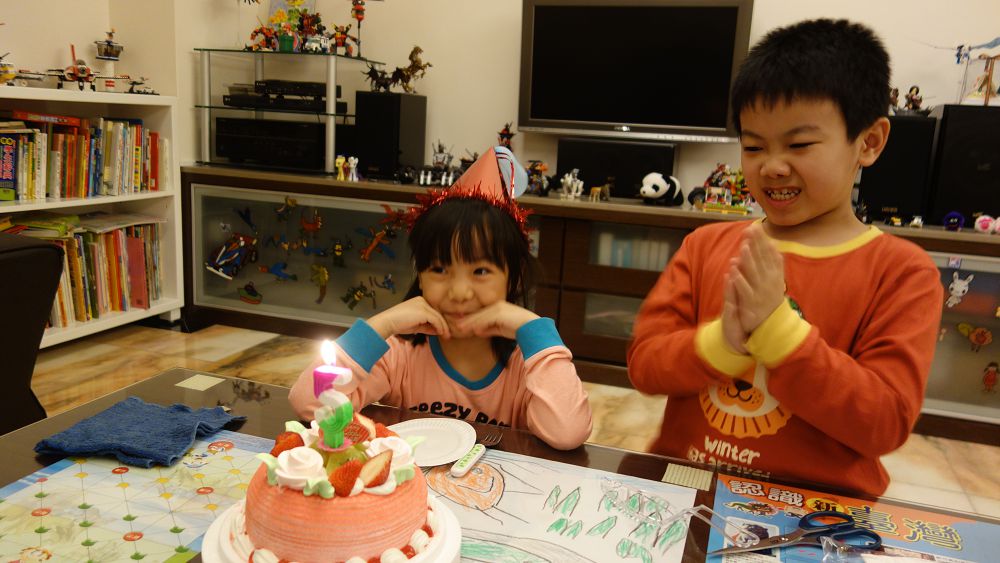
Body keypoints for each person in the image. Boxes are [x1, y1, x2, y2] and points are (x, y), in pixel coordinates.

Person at [627, 19, 942, 496]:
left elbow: (885, 421)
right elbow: (645, 365)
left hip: (816, 508)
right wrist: (722, 343)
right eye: (754, 146)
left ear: (869, 142)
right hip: (689, 485)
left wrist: (779, 334)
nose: (772, 166)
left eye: (799, 145)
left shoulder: (902, 272)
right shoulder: (705, 245)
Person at [290, 147, 592, 450]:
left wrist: (533, 327)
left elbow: (568, 433)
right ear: (420, 276)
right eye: (439, 269)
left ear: (513, 277)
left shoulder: (528, 364)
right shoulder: (399, 353)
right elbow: (311, 406)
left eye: (481, 271)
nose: (459, 293)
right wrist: (383, 324)